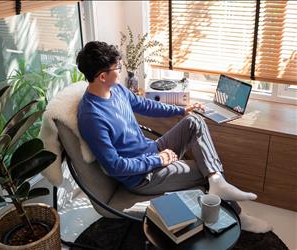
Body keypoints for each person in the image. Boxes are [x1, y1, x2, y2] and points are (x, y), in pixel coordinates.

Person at [76, 41, 271, 233]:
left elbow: (145, 105)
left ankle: (218, 183)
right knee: (204, 172)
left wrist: (181, 110)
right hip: (142, 176)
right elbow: (115, 166)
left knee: (194, 122)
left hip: (153, 150)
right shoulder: (92, 117)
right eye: (117, 67)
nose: (121, 70)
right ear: (102, 76)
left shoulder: (115, 89)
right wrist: (157, 160)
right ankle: (239, 217)